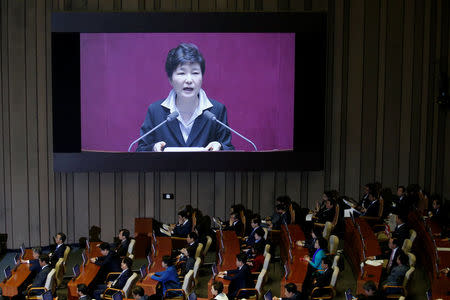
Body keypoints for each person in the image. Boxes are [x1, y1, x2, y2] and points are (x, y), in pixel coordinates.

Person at [135, 43, 234, 152]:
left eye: (195, 73)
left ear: (202, 77)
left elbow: (229, 150)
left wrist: (219, 147)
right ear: (170, 79)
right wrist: (153, 148)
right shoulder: (155, 111)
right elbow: (140, 150)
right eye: (182, 73)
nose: (189, 80)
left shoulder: (216, 111)